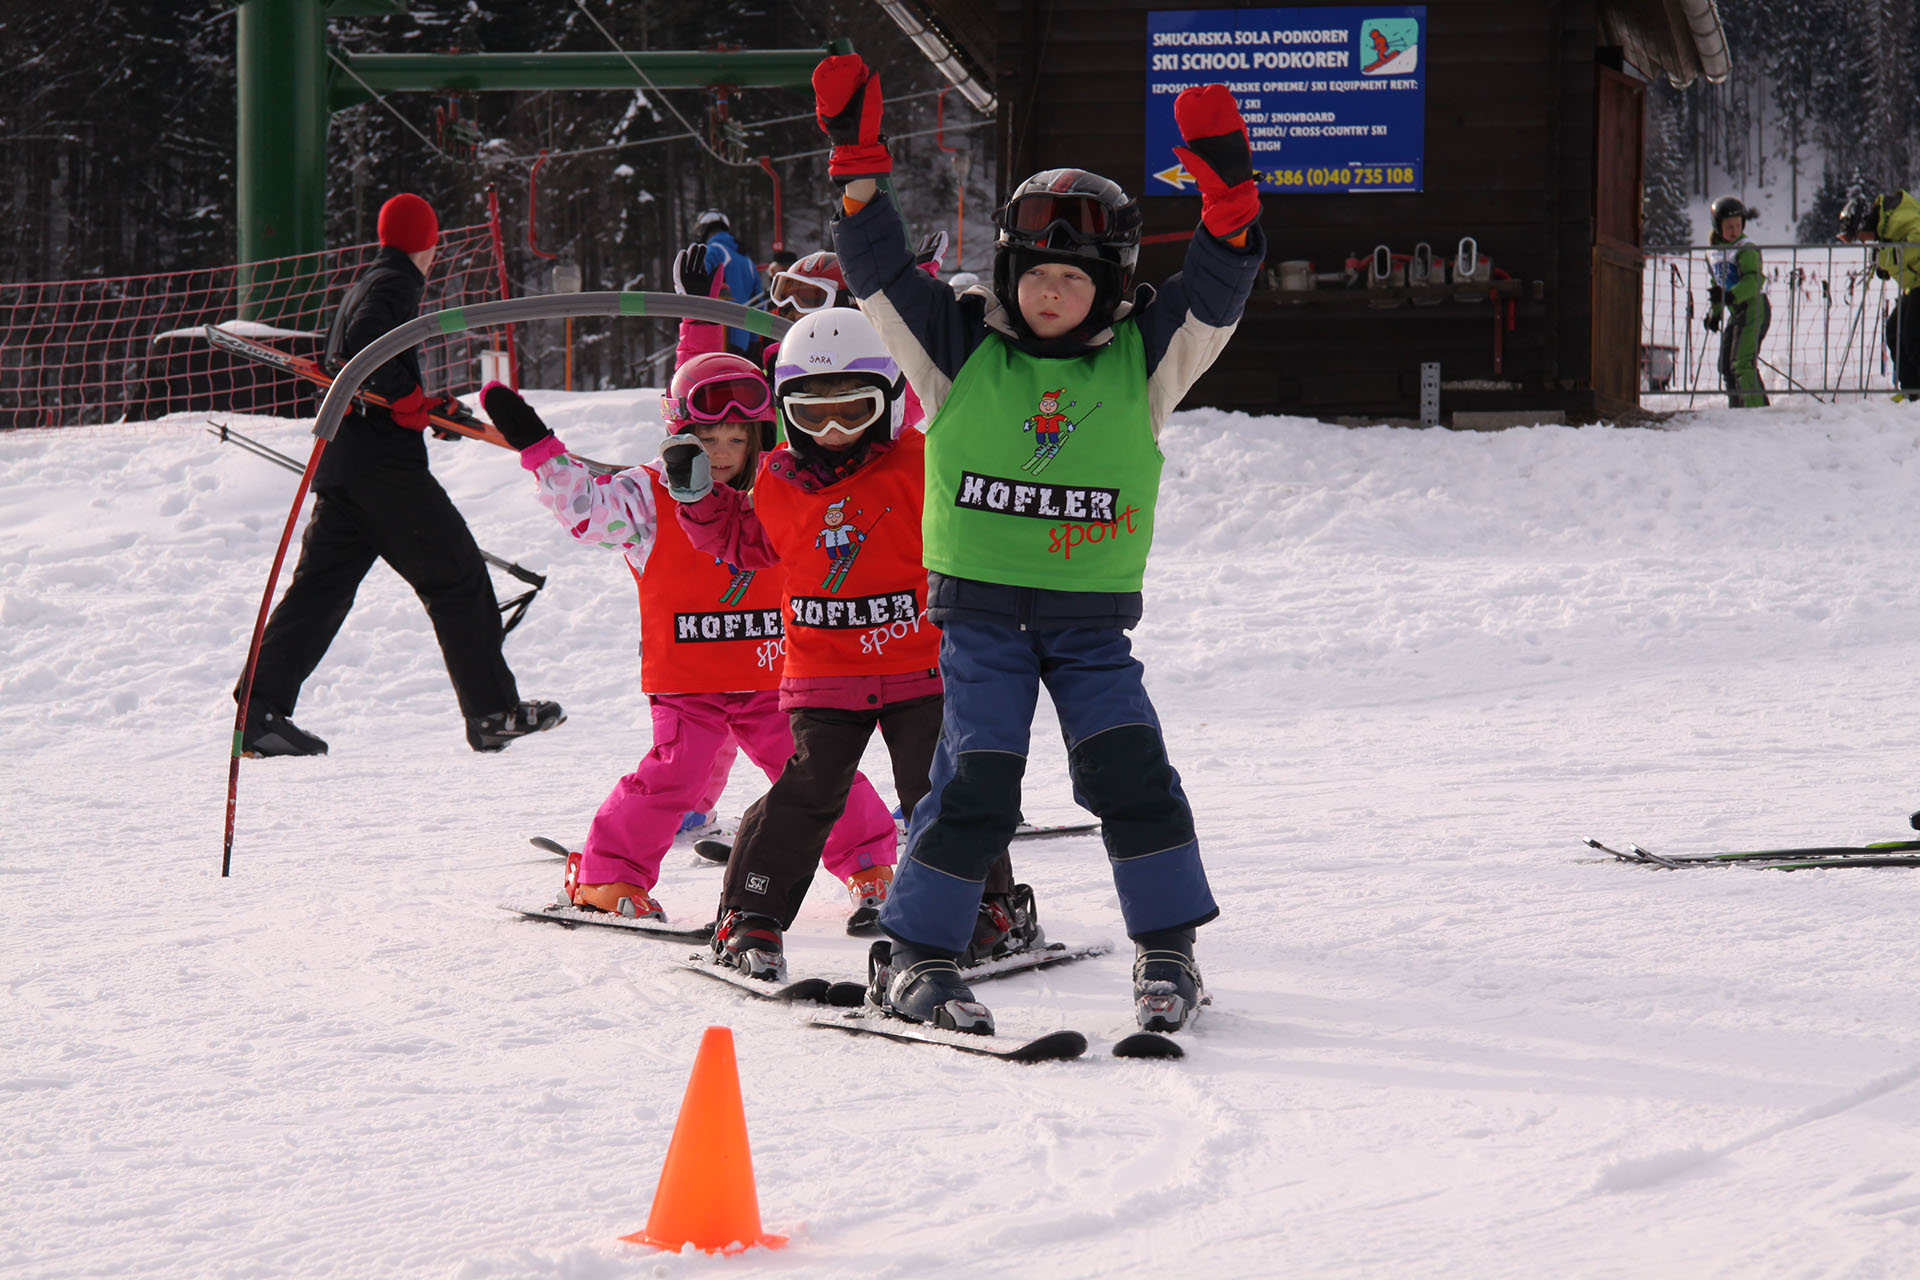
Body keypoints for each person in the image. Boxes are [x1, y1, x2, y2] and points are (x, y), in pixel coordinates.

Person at [814, 56, 1264, 1035]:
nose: (1054, 292)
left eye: (1076, 277)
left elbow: (1220, 287)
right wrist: (856, 174)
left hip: (1091, 624)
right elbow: (882, 272)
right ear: (1009, 274)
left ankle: (1169, 948)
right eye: (1038, 273)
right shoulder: (958, 348)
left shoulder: (1144, 359)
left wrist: (1230, 200)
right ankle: (917, 951)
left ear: (1108, 287)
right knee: (977, 777)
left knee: (1128, 770)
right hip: (981, 619)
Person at [662, 307, 1030, 985]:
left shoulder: (925, 463)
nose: (832, 432)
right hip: (825, 673)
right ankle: (751, 915)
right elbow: (746, 545)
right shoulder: (776, 479)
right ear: (786, 414)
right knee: (809, 790)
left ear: (889, 403)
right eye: (813, 414)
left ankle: (987, 904)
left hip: (920, 665)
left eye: (854, 411)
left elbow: (985, 518)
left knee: (941, 790)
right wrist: (699, 503)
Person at [477, 362, 898, 938]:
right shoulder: (647, 493)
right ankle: (607, 877)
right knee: (673, 775)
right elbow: (587, 515)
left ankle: (872, 865)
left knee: (820, 772)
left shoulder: (782, 485)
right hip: (688, 682)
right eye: (706, 439)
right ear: (679, 435)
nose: (721, 453)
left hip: (776, 679)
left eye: (736, 438)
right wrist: (540, 451)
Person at [236, 192, 562, 756]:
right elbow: (370, 351)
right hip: (384, 470)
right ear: (427, 241)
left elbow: (362, 370)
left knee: (320, 592)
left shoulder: (368, 280)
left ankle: (259, 709)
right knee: (457, 577)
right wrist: (408, 399)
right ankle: (492, 712)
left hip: (348, 462)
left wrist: (426, 405)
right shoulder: (395, 283)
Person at [1839, 191, 1920, 398]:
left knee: (1913, 336)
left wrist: (1885, 257)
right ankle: (1912, 391)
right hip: (1914, 285)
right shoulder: (1886, 225)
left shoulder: (1900, 216)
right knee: (1894, 331)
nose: (1863, 241)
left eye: (1859, 236)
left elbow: (1912, 245)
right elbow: (1896, 252)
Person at [1703, 195, 1769, 408]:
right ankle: (1737, 407)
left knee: (1741, 361)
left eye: (1738, 226)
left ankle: (1756, 409)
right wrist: (1714, 314)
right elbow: (1717, 287)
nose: (1734, 231)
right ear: (1718, 226)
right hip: (1737, 310)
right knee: (1726, 364)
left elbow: (1754, 280)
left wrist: (1733, 296)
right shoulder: (1713, 253)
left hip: (1753, 307)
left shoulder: (1746, 248)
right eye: (1729, 226)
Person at [694, 209, 764, 354]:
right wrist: (754, 341)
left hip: (717, 337)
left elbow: (698, 290)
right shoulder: (748, 262)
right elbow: (759, 304)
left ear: (704, 229)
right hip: (743, 341)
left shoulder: (710, 252)